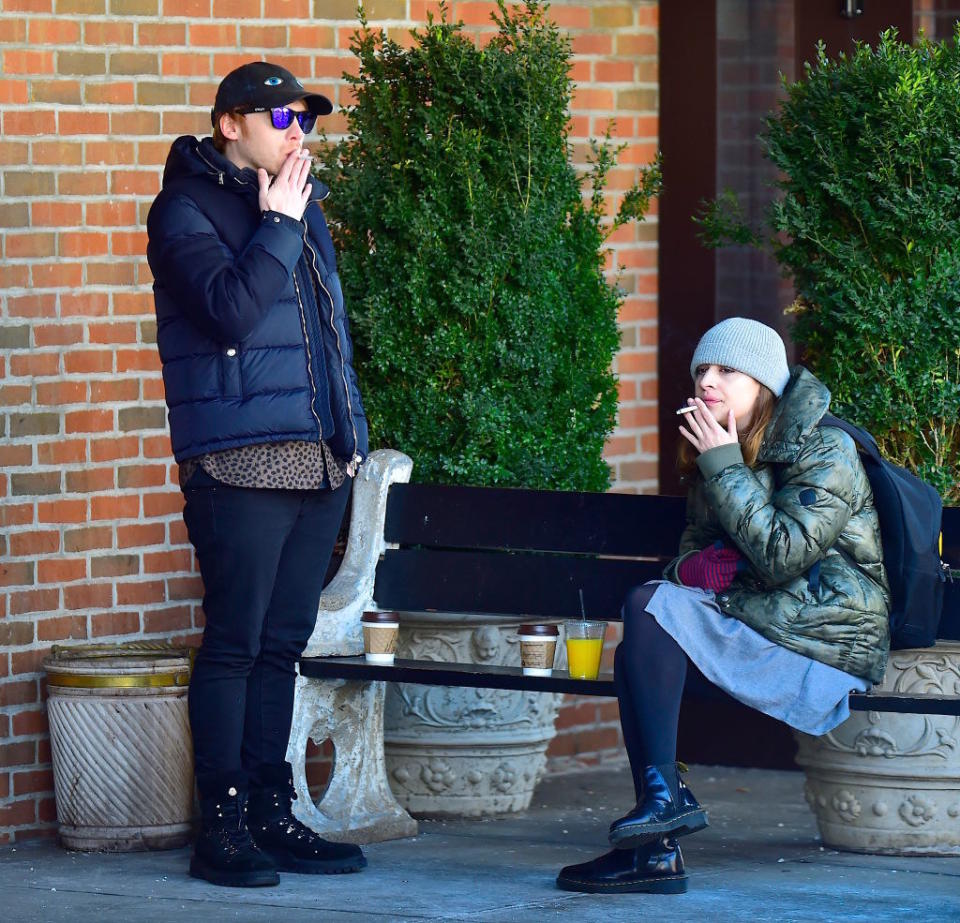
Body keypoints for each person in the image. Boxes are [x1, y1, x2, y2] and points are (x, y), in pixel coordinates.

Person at [556, 317, 890, 895]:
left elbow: (783, 554)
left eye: (727, 371)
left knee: (647, 610)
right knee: (646, 623)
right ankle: (658, 832)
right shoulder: (721, 442)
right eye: (702, 370)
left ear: (764, 384)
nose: (708, 380)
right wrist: (699, 564)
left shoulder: (825, 447)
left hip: (822, 639)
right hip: (760, 619)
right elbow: (692, 558)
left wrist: (725, 467)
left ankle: (657, 839)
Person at [146, 61, 369, 888]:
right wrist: (277, 223)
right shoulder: (183, 210)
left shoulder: (302, 209)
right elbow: (230, 310)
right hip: (239, 461)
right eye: (281, 119)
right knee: (235, 644)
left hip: (316, 459)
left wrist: (348, 439)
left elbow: (327, 333)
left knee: (283, 646)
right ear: (230, 123)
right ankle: (225, 826)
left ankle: (275, 814)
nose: (297, 132)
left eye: (305, 120)